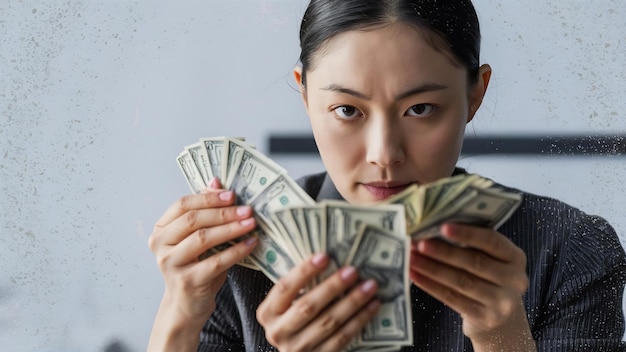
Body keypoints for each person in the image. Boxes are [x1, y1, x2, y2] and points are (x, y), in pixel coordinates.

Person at [147, 0, 626, 351]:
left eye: (420, 108)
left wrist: (502, 335)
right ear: (305, 96)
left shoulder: (572, 248)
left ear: (475, 95)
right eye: (346, 110)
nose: (384, 154)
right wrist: (180, 313)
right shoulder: (237, 255)